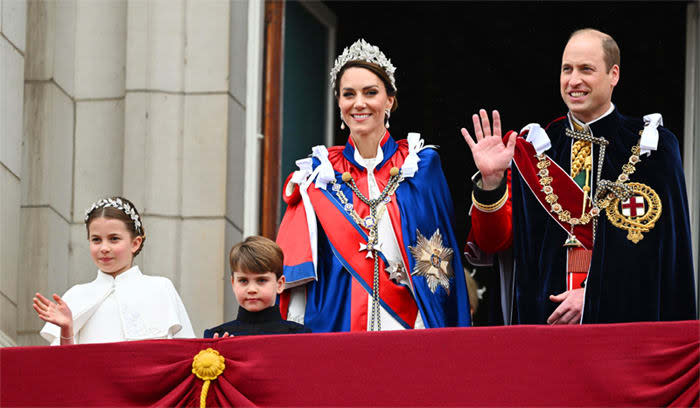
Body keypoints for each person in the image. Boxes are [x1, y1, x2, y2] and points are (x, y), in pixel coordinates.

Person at [462, 28, 696, 325]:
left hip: (622, 330)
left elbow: (661, 255)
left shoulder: (654, 147)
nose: (574, 81)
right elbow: (495, 242)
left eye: (586, 69)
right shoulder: (534, 150)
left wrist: (596, 296)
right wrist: (491, 181)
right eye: (567, 69)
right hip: (545, 328)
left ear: (614, 75)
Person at [277, 39, 471, 332]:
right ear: (339, 103)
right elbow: (300, 275)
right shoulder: (319, 176)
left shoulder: (420, 167)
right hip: (338, 327)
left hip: (410, 327)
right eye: (348, 94)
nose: (359, 103)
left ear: (390, 100)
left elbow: (441, 261)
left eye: (371, 92)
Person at [34, 197, 195, 345]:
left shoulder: (160, 288)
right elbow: (64, 367)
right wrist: (67, 329)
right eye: (96, 239)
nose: (104, 248)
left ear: (135, 243)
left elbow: (186, 355)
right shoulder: (75, 296)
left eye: (114, 239)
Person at [203, 236, 311, 338]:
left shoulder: (299, 335)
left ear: (280, 284)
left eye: (261, 280)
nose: (252, 290)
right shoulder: (215, 336)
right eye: (243, 281)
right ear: (233, 283)